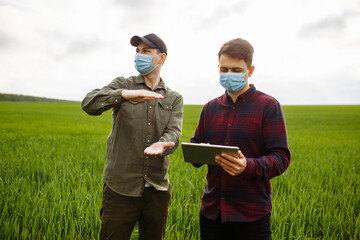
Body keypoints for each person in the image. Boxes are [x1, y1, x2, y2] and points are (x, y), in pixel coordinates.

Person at [82, 33, 183, 240]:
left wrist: (162, 145)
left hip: (157, 188)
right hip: (120, 187)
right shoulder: (123, 83)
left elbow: (174, 132)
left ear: (161, 58)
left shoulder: (173, 98)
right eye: (137, 51)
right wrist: (121, 95)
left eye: (146, 51)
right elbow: (89, 104)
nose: (140, 55)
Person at [190, 38, 291, 240]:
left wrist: (248, 166)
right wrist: (198, 152)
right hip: (212, 213)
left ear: (250, 70)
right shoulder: (210, 108)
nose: (229, 75)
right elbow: (196, 147)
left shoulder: (268, 106)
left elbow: (281, 157)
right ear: (218, 68)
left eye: (236, 70)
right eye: (224, 69)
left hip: (251, 216)